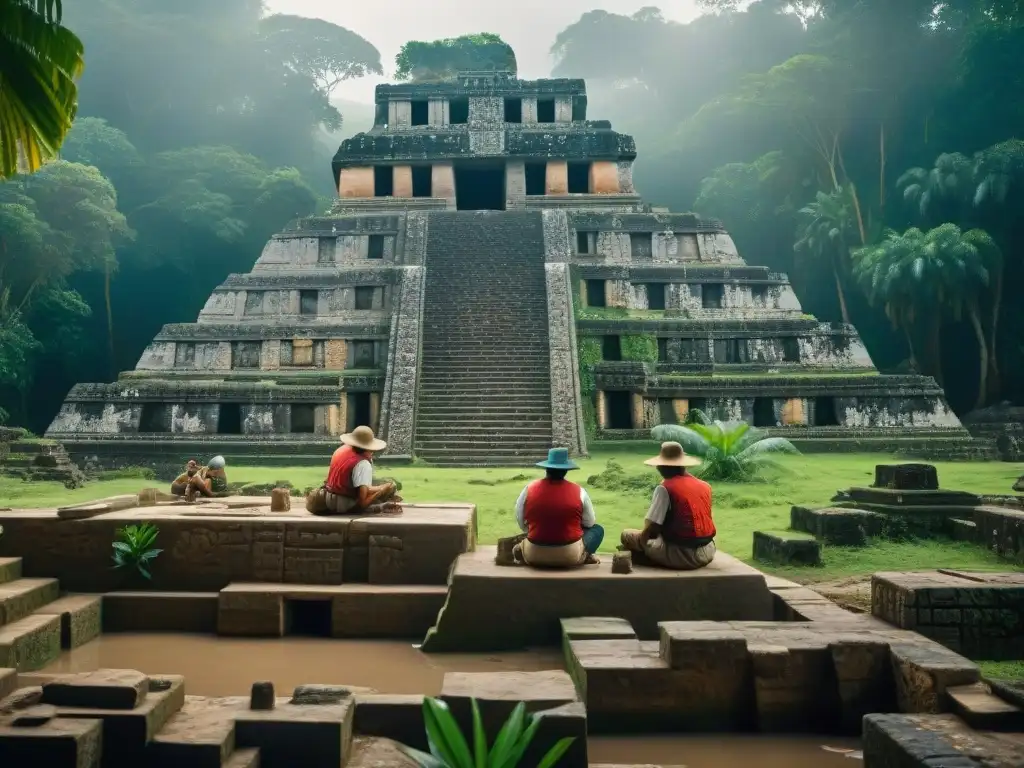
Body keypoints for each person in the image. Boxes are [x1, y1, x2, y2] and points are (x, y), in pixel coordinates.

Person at [619, 441, 716, 570]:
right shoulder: (705, 486)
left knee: (627, 535)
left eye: (660, 465)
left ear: (665, 466)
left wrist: (642, 545)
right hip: (708, 551)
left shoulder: (666, 488)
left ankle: (649, 558)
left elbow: (652, 529)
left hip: (682, 555)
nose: (658, 468)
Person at [511, 447, 604, 568]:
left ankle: (523, 549)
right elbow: (590, 522)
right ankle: (584, 555)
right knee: (597, 530)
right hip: (569, 556)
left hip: (533, 553)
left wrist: (531, 531)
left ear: (547, 468)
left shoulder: (529, 489)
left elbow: (519, 517)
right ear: (566, 470)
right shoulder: (579, 491)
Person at [305, 426, 402, 516]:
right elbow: (362, 504)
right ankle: (379, 506)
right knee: (387, 488)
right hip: (340, 502)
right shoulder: (363, 464)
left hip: (328, 495)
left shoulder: (342, 450)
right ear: (369, 447)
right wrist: (381, 490)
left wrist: (381, 488)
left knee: (386, 486)